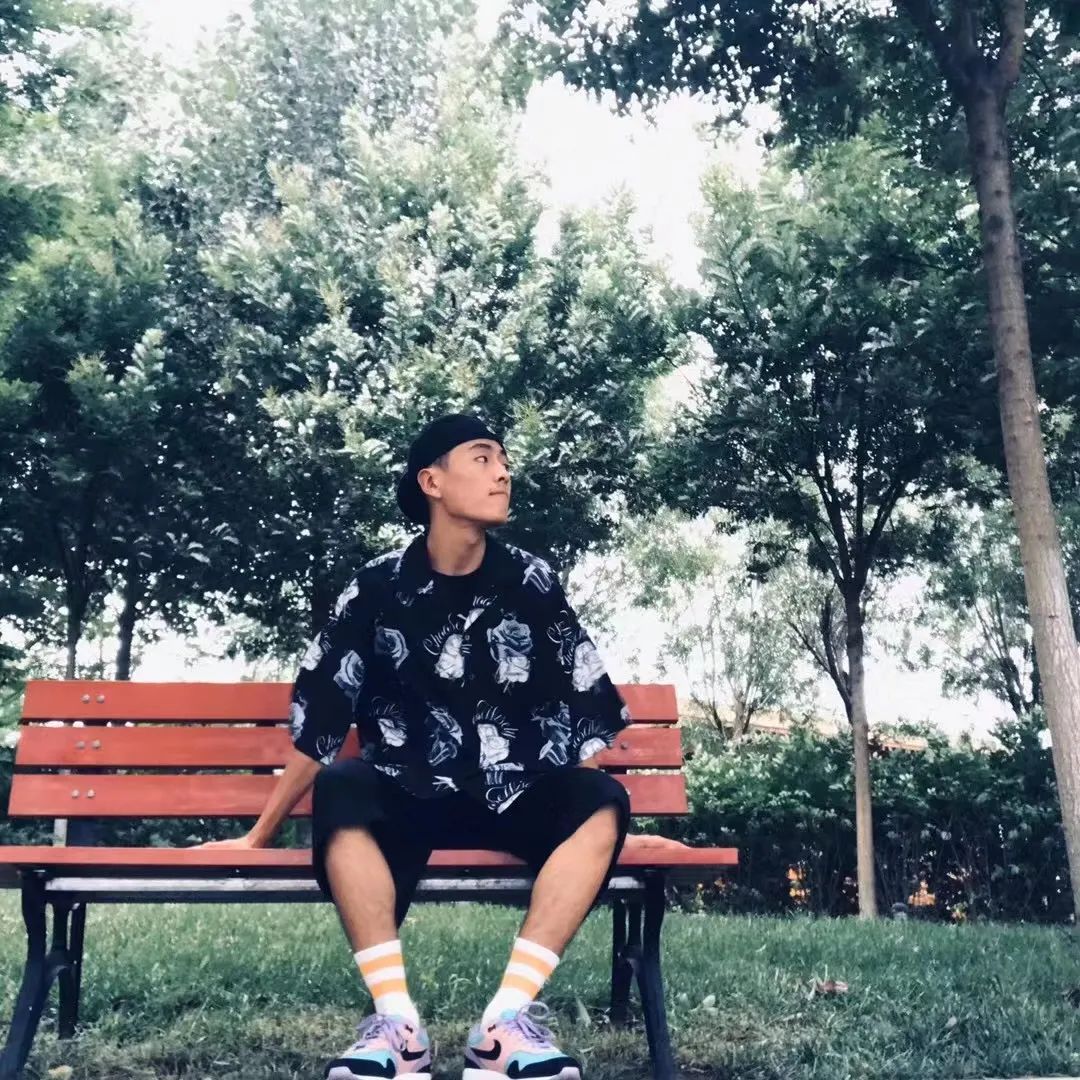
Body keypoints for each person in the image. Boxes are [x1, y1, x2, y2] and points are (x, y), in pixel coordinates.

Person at [199, 413, 634, 1080]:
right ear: (432, 481)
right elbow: (323, 717)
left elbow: (578, 706)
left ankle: (504, 1026)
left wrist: (604, 829)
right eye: (482, 458)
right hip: (410, 791)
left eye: (503, 460)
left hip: (511, 793)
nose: (503, 473)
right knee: (344, 783)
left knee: (602, 797)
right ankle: (397, 1027)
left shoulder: (532, 580)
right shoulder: (377, 587)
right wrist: (259, 836)